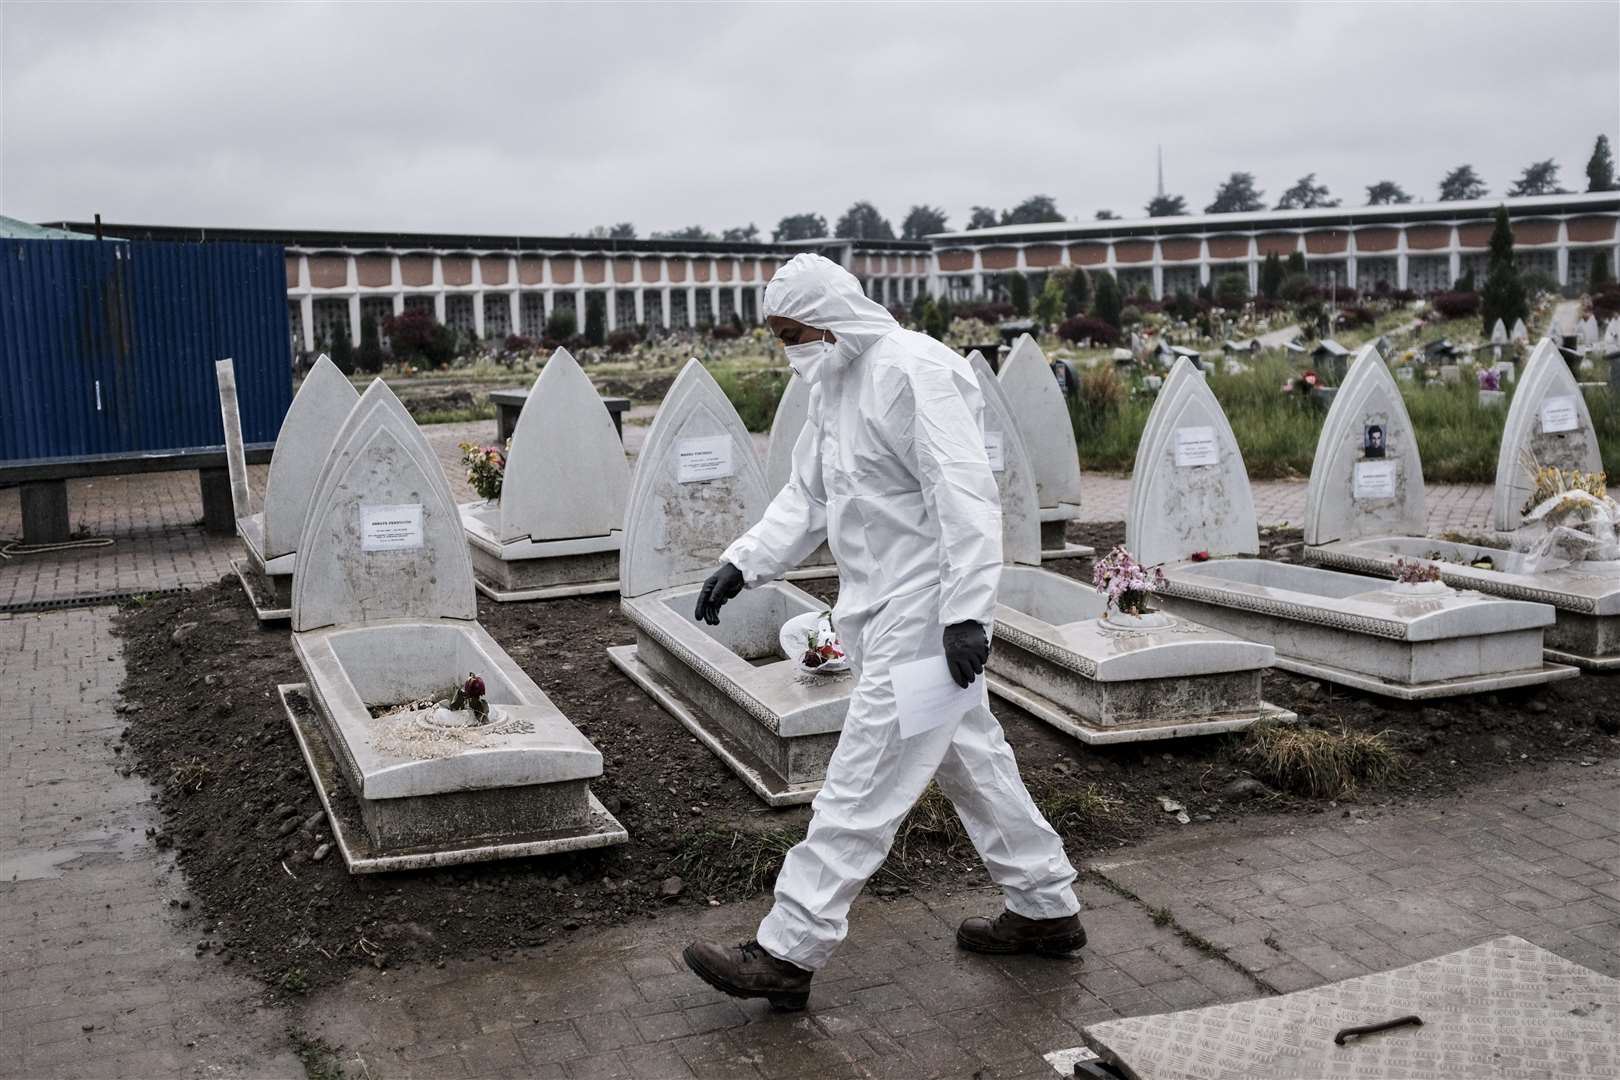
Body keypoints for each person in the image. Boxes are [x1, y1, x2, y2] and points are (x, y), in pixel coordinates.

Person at [681, 254, 1082, 1012]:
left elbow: (963, 493)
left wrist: (967, 612)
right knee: (972, 761)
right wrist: (744, 562)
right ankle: (1044, 906)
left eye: (793, 331)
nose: (787, 348)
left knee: (860, 781)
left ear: (831, 315)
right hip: (879, 608)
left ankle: (787, 948)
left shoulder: (914, 371)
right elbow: (808, 496)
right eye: (778, 336)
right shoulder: (832, 387)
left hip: (928, 616)